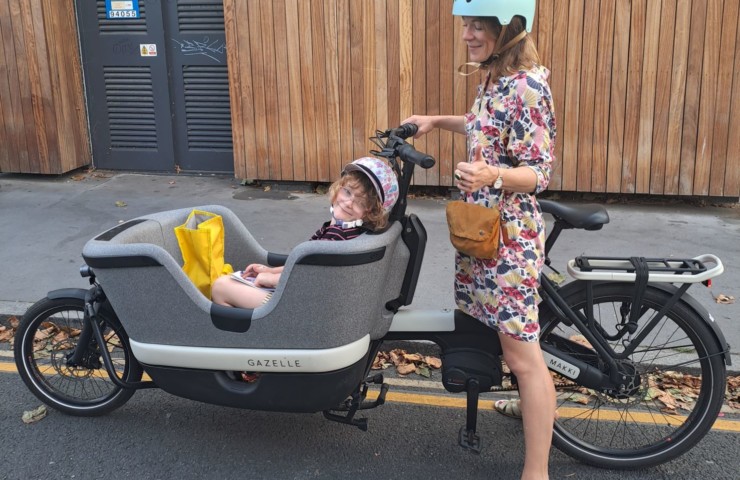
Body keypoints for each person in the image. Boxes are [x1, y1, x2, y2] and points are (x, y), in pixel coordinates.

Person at [403, 1, 556, 478]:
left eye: (477, 25)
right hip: (482, 232)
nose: (467, 34)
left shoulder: (529, 87)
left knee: (521, 356)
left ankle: (537, 472)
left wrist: (493, 174)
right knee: (501, 343)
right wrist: (435, 121)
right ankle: (524, 407)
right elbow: (483, 126)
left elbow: (540, 173)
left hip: (509, 238)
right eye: (465, 25)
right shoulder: (493, 80)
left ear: (507, 28)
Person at [211, 156, 399, 309]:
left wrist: (270, 278)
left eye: (361, 201)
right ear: (339, 188)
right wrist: (270, 270)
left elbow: (310, 278)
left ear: (370, 211)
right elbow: (306, 265)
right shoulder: (342, 230)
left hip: (300, 308)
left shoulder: (338, 240)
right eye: (348, 192)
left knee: (220, 287)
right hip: (305, 300)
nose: (349, 202)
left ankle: (248, 342)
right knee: (229, 282)